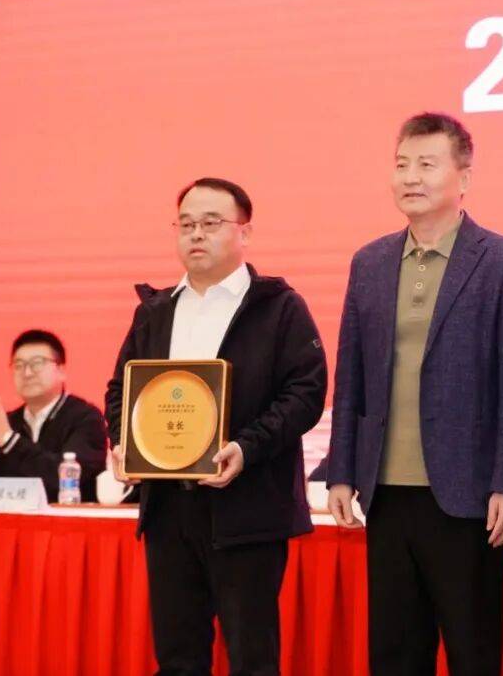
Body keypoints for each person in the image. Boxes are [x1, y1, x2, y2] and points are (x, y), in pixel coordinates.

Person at [325, 112, 503, 676]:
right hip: (385, 492)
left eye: (426, 164)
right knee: (395, 655)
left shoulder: (502, 261)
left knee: (473, 653)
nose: (410, 177)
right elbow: (351, 376)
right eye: (402, 165)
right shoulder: (369, 262)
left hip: (469, 497)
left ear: (463, 178)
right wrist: (342, 470)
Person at [104, 177, 327, 676]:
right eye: (186, 225)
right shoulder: (155, 310)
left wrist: (246, 448)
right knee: (178, 657)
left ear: (244, 232)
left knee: (252, 658)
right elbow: (121, 389)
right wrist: (125, 442)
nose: (196, 234)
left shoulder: (279, 307)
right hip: (168, 510)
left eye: (210, 223)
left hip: (248, 508)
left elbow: (305, 394)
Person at [0, 329, 107, 502]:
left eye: (37, 363)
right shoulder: (9, 422)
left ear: (61, 370)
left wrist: (8, 440)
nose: (27, 373)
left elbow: (62, 481)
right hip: (15, 518)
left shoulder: (86, 418)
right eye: (19, 365)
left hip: (71, 517)